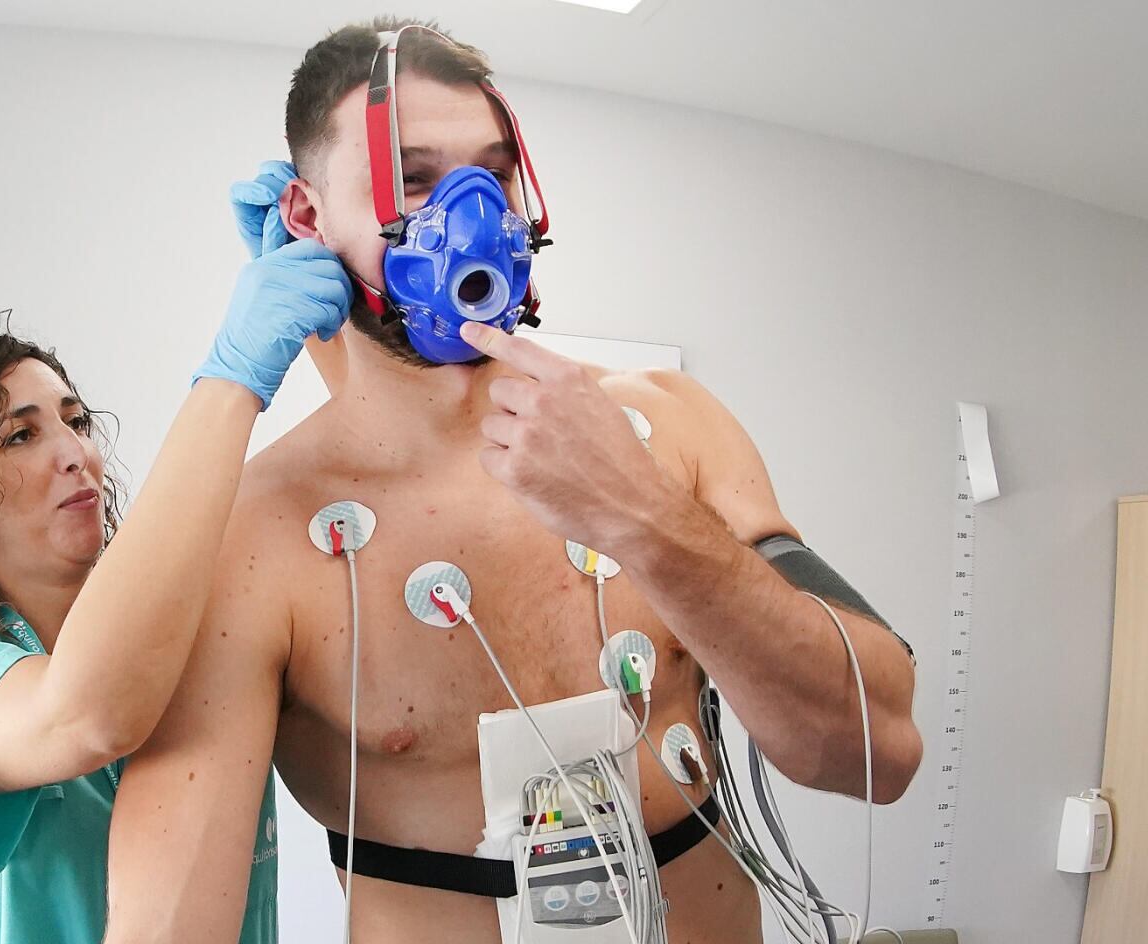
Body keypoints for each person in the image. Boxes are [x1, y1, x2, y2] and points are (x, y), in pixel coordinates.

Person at [106, 18, 923, 944]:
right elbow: (167, 926)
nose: (470, 215)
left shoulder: (669, 424)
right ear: (305, 218)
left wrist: (644, 516)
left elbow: (878, 749)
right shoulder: (254, 537)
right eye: (415, 177)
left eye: (490, 174)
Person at [0, 232, 351, 944]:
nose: (75, 454)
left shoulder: (195, 644)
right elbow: (88, 714)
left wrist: (338, 289)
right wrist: (233, 381)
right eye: (21, 436)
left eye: (76, 422)